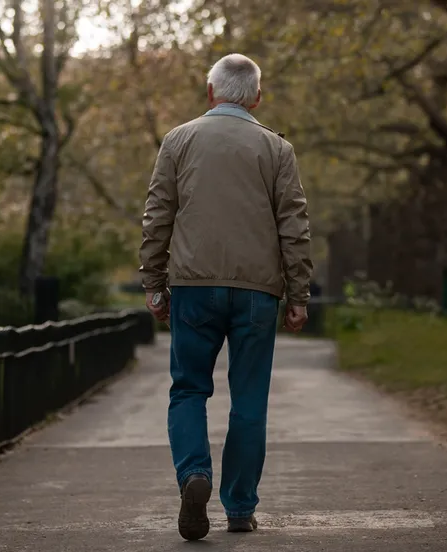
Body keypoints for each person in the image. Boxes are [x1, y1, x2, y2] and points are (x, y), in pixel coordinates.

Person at [138, 53, 313, 541]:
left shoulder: (178, 140)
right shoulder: (277, 150)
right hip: (258, 293)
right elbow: (293, 226)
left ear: (210, 91)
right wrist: (298, 293)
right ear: (256, 97)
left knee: (189, 389)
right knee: (249, 399)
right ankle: (240, 508)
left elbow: (158, 216)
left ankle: (194, 475)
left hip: (193, 288)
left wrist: (154, 282)